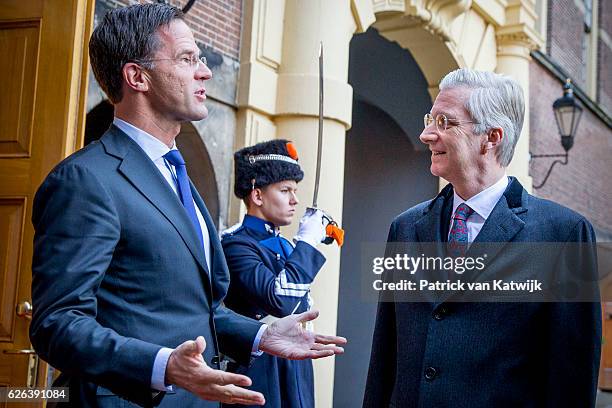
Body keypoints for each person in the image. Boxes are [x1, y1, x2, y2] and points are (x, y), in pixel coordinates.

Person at [29, 4, 345, 408]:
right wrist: (161, 365)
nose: (205, 71)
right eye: (186, 58)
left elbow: (200, 308)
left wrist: (261, 335)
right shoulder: (85, 181)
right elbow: (57, 324)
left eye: (200, 58)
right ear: (137, 76)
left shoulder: (178, 175)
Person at [363, 68, 601, 407]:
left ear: (491, 138)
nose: (427, 134)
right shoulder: (405, 228)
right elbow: (384, 359)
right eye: (431, 119)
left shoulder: (563, 235)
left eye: (445, 122)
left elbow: (571, 381)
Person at [221, 140, 328, 408]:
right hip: (259, 368)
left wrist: (302, 246)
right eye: (285, 190)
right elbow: (280, 300)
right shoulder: (236, 244)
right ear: (257, 196)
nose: (295, 200)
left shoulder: (286, 246)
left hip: (294, 365)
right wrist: (306, 244)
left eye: (295, 190)